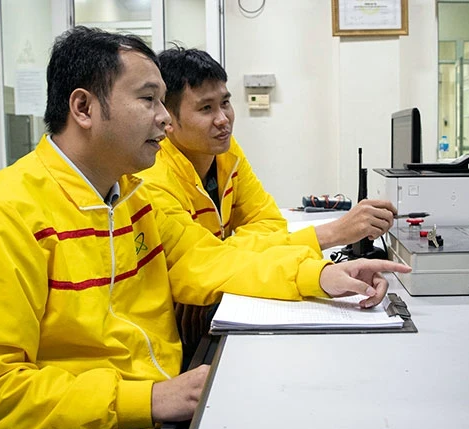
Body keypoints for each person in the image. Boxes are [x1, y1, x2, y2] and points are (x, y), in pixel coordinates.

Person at [0, 27, 409, 429]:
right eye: (148, 100)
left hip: (144, 422)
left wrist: (322, 276)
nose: (165, 119)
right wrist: (152, 398)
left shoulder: (133, 199)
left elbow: (213, 263)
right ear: (83, 107)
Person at [138, 48, 399, 348]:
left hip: (210, 298)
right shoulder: (153, 177)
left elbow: (267, 222)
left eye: (225, 103)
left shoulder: (225, 153)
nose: (223, 120)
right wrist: (329, 235)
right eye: (206, 109)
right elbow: (200, 263)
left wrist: (230, 251)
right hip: (177, 326)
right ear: (167, 119)